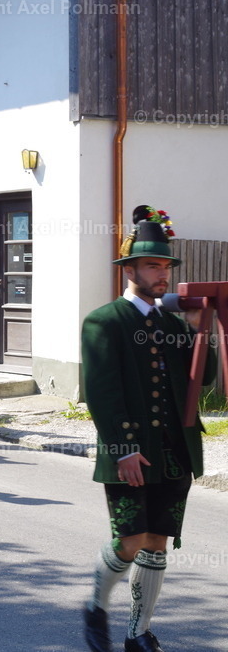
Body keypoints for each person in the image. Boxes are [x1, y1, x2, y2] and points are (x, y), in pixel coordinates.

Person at [81, 206, 216, 652]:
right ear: (131, 269)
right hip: (129, 453)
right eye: (153, 265)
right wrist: (123, 449)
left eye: (165, 266)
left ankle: (137, 632)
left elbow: (204, 380)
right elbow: (102, 392)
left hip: (174, 450)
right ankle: (97, 604)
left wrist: (201, 333)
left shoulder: (173, 323)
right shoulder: (105, 321)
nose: (162, 274)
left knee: (156, 542)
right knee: (129, 541)